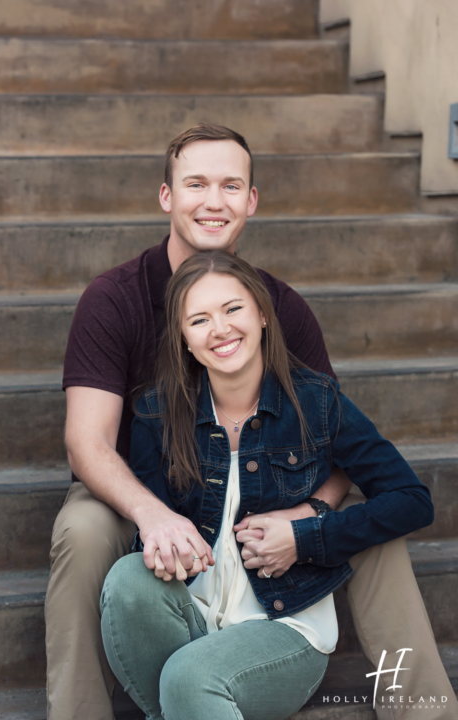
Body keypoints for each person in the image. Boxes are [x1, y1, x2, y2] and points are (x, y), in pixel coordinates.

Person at [47, 123, 458, 720]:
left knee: (366, 522)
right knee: (85, 533)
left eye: (230, 186)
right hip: (146, 492)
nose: (213, 201)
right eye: (196, 184)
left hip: (271, 501)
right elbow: (87, 443)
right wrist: (154, 515)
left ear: (251, 201)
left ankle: (425, 710)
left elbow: (335, 439)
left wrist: (310, 515)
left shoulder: (283, 306)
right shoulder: (115, 301)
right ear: (167, 196)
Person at [100, 250, 434, 720]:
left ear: (261, 315)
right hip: (189, 617)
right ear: (184, 339)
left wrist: (307, 535)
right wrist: (164, 542)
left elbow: (412, 501)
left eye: (233, 309)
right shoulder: (157, 414)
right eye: (199, 319)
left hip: (284, 628)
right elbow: (151, 533)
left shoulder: (316, 402)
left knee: (190, 678)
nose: (220, 329)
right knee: (128, 580)